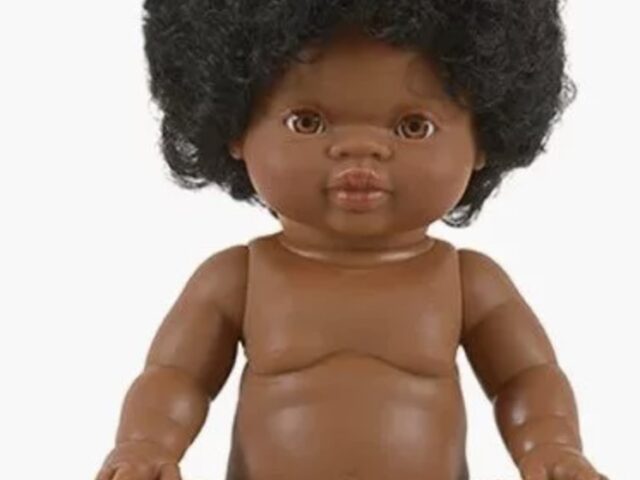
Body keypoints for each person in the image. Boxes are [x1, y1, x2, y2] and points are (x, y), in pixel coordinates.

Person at [95, 1, 608, 479]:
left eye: (413, 126)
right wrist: (145, 444)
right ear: (234, 129)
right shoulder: (238, 279)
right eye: (307, 121)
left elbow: (528, 377)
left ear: (483, 140)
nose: (360, 148)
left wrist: (551, 444)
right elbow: (175, 377)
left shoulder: (467, 283)